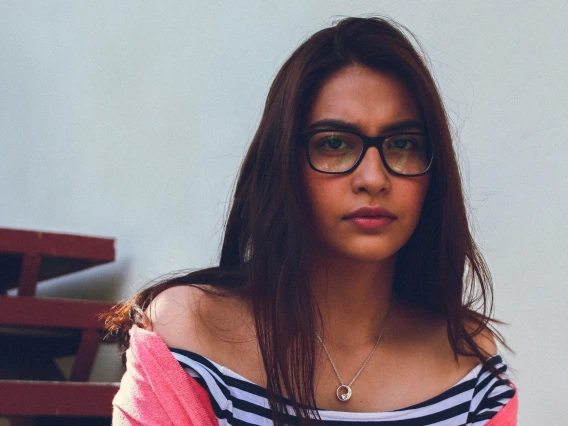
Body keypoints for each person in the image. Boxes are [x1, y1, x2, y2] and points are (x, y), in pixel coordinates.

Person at [105, 16, 517, 426]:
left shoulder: (467, 364)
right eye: (335, 144)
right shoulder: (189, 331)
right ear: (283, 162)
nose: (374, 178)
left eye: (403, 144)